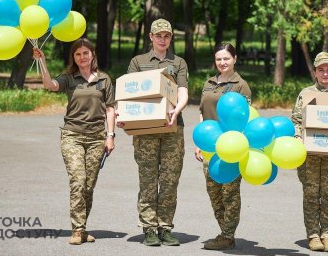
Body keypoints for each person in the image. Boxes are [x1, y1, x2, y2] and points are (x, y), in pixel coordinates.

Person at [33, 38, 116, 245]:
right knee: (78, 181)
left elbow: (110, 108)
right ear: (74, 57)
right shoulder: (70, 77)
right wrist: (42, 61)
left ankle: (83, 227)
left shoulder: (104, 79)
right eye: (77, 54)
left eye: (85, 53)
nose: (82, 57)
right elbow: (49, 85)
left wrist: (110, 136)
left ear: (92, 54)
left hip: (97, 137)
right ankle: (77, 230)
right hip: (72, 136)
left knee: (89, 186)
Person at [118, 18, 189, 247]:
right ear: (151, 37)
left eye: (166, 36)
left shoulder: (178, 63)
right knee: (148, 179)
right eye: (158, 35)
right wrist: (123, 116)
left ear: (170, 38)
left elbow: (183, 93)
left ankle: (165, 227)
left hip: (172, 128)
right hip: (145, 130)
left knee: (170, 180)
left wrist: (175, 112)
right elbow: (128, 93)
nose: (162, 39)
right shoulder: (138, 62)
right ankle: (148, 228)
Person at [194, 43, 251, 250]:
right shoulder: (209, 82)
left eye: (226, 58)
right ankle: (225, 232)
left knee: (230, 192)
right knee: (214, 193)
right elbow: (202, 112)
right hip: (210, 145)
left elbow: (246, 117)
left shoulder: (240, 85)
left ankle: (227, 235)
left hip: (231, 147)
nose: (222, 62)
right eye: (219, 59)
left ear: (234, 59)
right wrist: (199, 143)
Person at [291, 52, 328, 252]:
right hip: (309, 156)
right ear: (314, 72)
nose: (325, 74)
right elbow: (296, 120)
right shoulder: (306, 94)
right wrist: (298, 136)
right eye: (321, 70)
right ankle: (313, 235)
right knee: (311, 195)